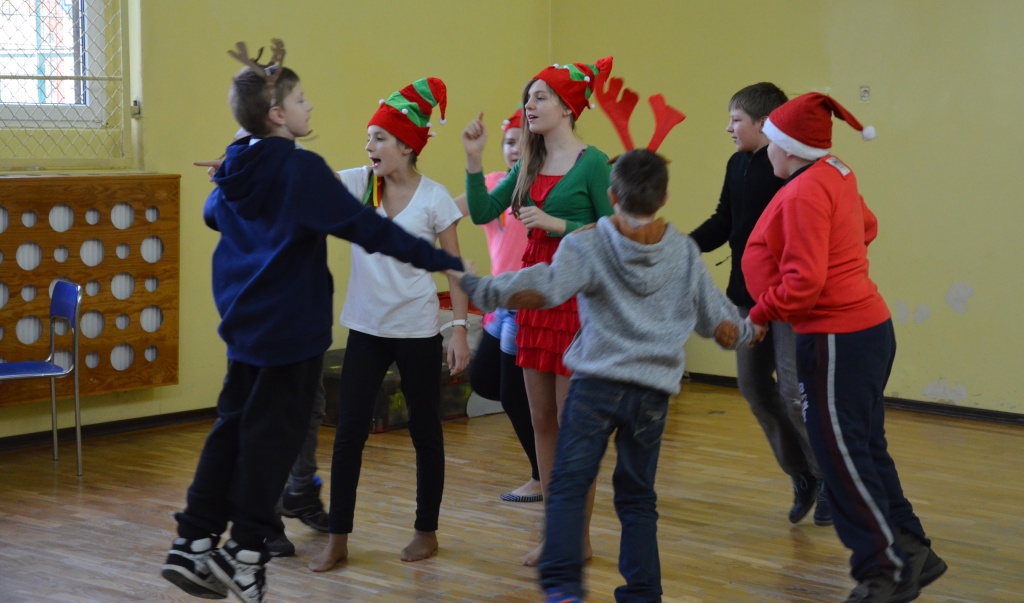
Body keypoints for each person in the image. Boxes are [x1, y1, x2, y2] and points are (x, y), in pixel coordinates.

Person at [159, 41, 463, 603]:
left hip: (251, 329)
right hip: (293, 332)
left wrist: (235, 155)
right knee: (273, 443)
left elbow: (212, 212)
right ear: (278, 114)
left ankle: (194, 540)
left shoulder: (244, 168)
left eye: (380, 136)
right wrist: (446, 264)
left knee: (236, 431)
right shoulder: (308, 172)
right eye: (301, 99)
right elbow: (370, 230)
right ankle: (247, 553)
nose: (311, 106)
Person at [451, 148, 764, 603]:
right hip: (651, 396)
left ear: (612, 195)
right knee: (637, 499)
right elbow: (720, 324)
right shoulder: (683, 252)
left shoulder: (588, 244)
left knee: (568, 486)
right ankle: (643, 593)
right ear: (665, 197)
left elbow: (543, 289)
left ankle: (563, 587)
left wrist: (480, 287)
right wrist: (752, 331)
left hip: (595, 388)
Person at [742, 93, 947, 603]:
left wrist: (761, 312)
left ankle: (884, 571)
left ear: (788, 148)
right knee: (864, 449)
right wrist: (840, 262)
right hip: (866, 329)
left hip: (836, 339)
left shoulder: (803, 192)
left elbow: (804, 283)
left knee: (840, 460)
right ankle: (911, 550)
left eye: (770, 140)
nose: (767, 150)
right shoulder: (835, 171)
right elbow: (867, 226)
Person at [309, 77, 470, 572]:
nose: (369, 146)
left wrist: (459, 329)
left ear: (406, 145)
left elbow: (455, 270)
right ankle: (338, 538)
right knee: (348, 434)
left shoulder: (435, 198)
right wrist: (241, 162)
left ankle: (426, 531)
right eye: (368, 138)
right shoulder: (361, 184)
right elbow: (303, 178)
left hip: (418, 331)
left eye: (378, 138)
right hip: (367, 329)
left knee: (426, 431)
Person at [462, 56, 615, 566]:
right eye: (527, 97)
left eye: (540, 96)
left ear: (568, 107)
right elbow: (483, 211)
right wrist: (473, 159)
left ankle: (578, 539)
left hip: (575, 299)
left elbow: (617, 232)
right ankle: (557, 534)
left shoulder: (593, 162)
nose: (530, 104)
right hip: (534, 297)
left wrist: (556, 224)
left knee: (573, 427)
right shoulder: (527, 162)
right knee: (542, 421)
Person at [690, 82, 831, 527]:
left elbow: (790, 246)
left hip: (784, 301)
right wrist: (680, 246)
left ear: (765, 123)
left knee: (792, 392)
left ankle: (830, 478)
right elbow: (724, 221)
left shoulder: (788, 170)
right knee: (753, 388)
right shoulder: (736, 164)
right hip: (744, 299)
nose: (728, 128)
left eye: (736, 120)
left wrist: (767, 307)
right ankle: (801, 473)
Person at [195, 133, 331, 559]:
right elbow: (212, 214)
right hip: (260, 326)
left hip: (300, 320)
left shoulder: (298, 163)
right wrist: (227, 178)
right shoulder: (246, 176)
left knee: (310, 408)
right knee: (266, 422)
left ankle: (300, 491)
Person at [453, 107, 541, 504]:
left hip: (530, 303)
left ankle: (542, 476)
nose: (514, 150)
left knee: (511, 394)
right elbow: (447, 212)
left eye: (522, 143)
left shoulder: (545, 190)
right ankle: (550, 448)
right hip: (499, 304)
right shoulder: (492, 185)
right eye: (508, 143)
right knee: (485, 380)